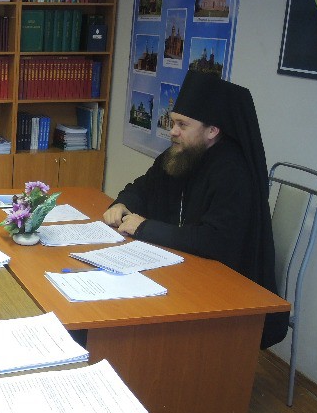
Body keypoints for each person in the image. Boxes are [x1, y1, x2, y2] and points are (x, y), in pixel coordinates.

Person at [103, 70, 288, 348]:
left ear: (212, 130)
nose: (173, 131)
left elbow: (214, 241)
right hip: (181, 269)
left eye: (182, 125)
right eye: (173, 122)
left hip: (224, 289)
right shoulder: (182, 155)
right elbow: (142, 187)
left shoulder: (233, 172)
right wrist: (122, 203)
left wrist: (144, 227)